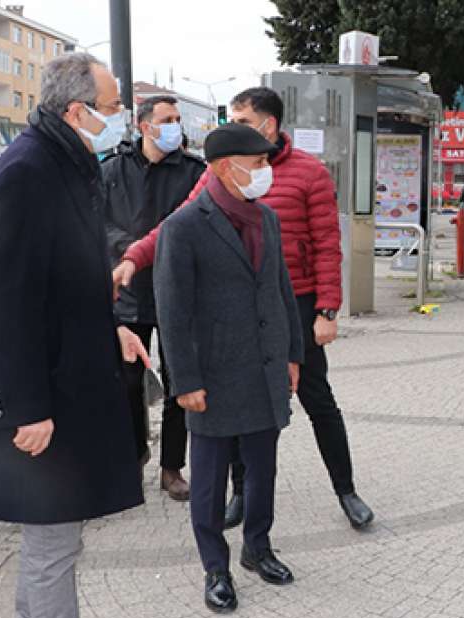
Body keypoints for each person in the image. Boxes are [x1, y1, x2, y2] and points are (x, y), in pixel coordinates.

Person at [113, 87, 374, 530]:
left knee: (318, 399)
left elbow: (330, 247)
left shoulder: (309, 174)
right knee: (236, 404)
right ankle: (239, 495)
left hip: (295, 302)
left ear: (268, 125)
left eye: (241, 120)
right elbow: (177, 223)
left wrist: (327, 311)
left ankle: (346, 489)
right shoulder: (223, 170)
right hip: (235, 310)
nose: (232, 129)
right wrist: (135, 256)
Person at [0, 53, 150, 618]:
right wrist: (26, 408)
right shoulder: (28, 171)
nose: (122, 118)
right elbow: (10, 300)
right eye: (115, 107)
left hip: (66, 380)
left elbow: (68, 279)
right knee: (53, 544)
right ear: (78, 110)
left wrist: (111, 328)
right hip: (41, 400)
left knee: (56, 542)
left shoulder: (67, 163)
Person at [154, 123, 304, 612]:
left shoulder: (266, 219)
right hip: (212, 376)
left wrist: (292, 354)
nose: (266, 173)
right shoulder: (184, 226)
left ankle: (257, 549)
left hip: (263, 368)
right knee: (211, 477)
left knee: (262, 468)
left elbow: (281, 291)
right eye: (258, 164)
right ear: (225, 167)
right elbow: (171, 312)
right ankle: (214, 566)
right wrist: (185, 381)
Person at [102, 95, 207, 501]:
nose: (175, 125)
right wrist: (129, 246)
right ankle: (134, 455)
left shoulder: (193, 171)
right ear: (145, 126)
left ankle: (172, 468)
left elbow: (197, 221)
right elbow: (98, 222)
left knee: (181, 377)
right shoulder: (113, 170)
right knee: (128, 380)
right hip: (127, 291)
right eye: (168, 119)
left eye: (178, 119)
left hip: (179, 289)